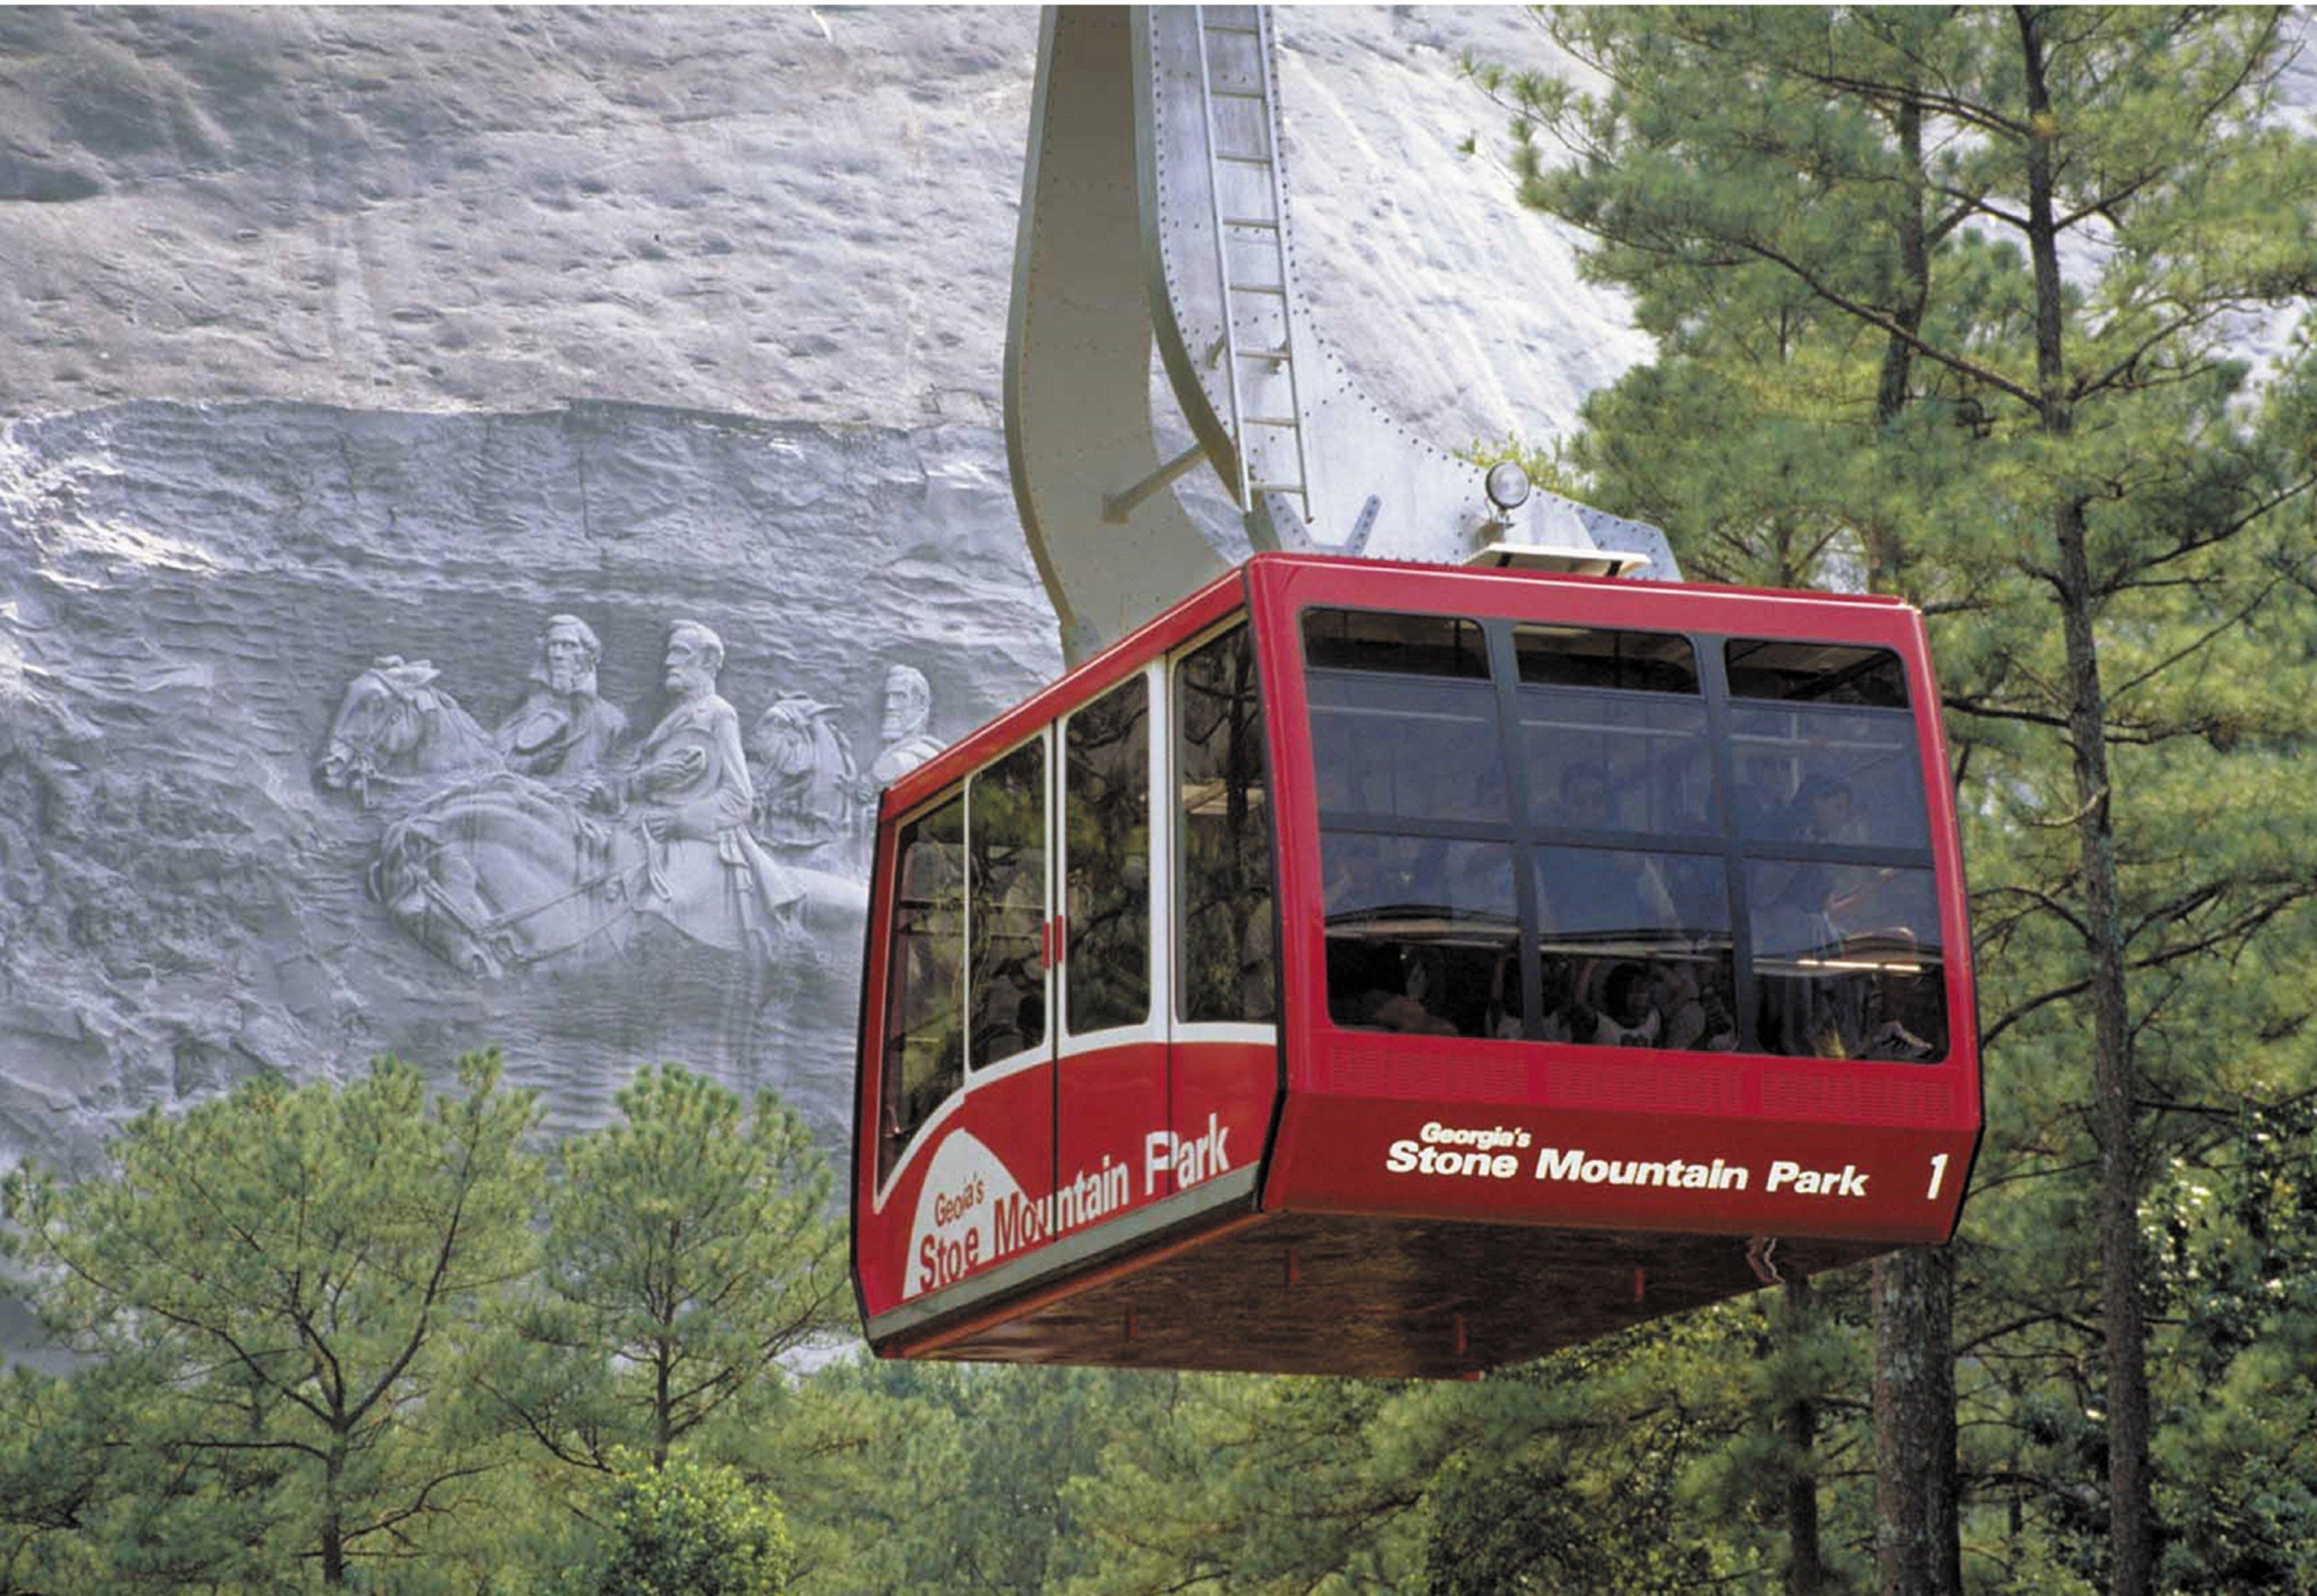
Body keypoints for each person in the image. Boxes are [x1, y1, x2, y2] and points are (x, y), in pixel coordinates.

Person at [588, 622, 803, 950]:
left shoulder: (719, 715)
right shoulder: (675, 716)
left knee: (656, 916)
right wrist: (636, 783)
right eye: (670, 652)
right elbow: (651, 780)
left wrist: (679, 821)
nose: (668, 662)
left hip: (697, 840)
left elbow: (739, 798)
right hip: (646, 829)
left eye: (680, 653)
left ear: (707, 661)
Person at [495, 613, 628, 781]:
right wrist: (535, 762)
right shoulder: (527, 710)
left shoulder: (610, 720)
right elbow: (496, 763)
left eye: (568, 646)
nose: (557, 655)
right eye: (553, 646)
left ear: (588, 655)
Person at [869, 664, 947, 786]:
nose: (890, 706)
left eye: (899, 697)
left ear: (921, 703)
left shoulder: (901, 762)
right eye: (888, 697)